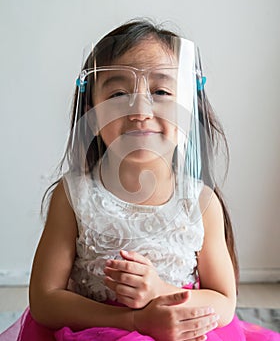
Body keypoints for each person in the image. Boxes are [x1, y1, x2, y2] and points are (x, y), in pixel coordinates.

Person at [1, 19, 279, 341]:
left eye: (161, 91)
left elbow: (223, 302)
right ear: (92, 109)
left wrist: (160, 293)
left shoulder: (199, 202)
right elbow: (45, 301)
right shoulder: (74, 196)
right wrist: (136, 320)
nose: (140, 109)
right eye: (118, 93)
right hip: (97, 328)